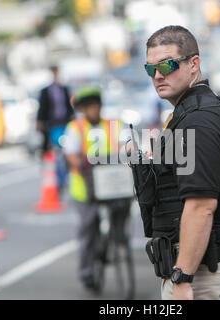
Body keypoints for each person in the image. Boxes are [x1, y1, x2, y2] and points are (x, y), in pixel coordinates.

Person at [130, 25, 220, 300]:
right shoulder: (215, 111)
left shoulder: (198, 122)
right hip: (215, 269)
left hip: (205, 276)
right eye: (150, 69)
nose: (158, 75)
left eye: (167, 65)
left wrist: (183, 277)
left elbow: (201, 206)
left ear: (194, 64)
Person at [63, 86, 132, 290]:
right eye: (87, 106)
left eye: (95, 105)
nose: (92, 110)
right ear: (82, 109)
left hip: (113, 187)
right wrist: (82, 164)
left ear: (100, 106)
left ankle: (119, 239)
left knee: (122, 211)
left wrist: (129, 151)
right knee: (88, 227)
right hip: (85, 191)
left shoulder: (115, 124)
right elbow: (71, 156)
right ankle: (86, 272)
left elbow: (128, 144)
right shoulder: (75, 128)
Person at [36, 66, 74, 156]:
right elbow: (42, 107)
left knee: (66, 142)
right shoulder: (45, 91)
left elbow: (69, 105)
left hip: (64, 121)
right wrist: (39, 121)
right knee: (49, 145)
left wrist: (72, 116)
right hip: (51, 123)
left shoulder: (64, 89)